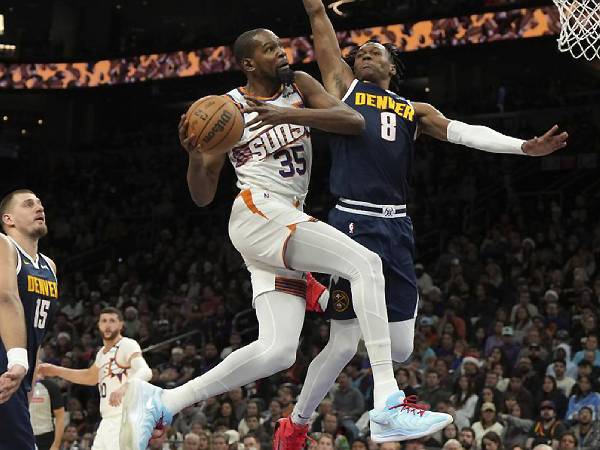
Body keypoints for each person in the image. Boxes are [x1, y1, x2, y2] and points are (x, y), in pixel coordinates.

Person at [121, 27, 451, 450]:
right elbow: (202, 197)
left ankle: (164, 402)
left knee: (279, 351)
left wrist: (288, 115)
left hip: (286, 220)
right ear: (247, 63)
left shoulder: (300, 85)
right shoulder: (228, 109)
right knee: (365, 263)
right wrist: (196, 157)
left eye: (280, 46)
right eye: (269, 49)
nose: (281, 53)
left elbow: (351, 120)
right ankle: (387, 400)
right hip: (259, 210)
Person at [279, 0, 568, 447]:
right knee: (341, 343)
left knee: (401, 347)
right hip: (353, 222)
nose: (364, 54)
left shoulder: (416, 110)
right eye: (360, 51)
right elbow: (320, 22)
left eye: (376, 50)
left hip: (397, 229)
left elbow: (466, 132)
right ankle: (306, 422)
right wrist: (315, 5)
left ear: (394, 65)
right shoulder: (344, 87)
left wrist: (523, 147)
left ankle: (369, 394)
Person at [38, 307, 152, 450]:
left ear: (121, 325)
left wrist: (125, 387)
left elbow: (146, 371)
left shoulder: (127, 344)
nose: (108, 325)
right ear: (99, 325)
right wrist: (56, 370)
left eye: (112, 321)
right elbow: (90, 377)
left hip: (123, 419)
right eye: (104, 321)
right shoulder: (102, 354)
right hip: (107, 420)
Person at [0, 189, 59, 450]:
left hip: (18, 374)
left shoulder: (49, 266)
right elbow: (6, 298)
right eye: (29, 204)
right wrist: (18, 361)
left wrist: (29, 377)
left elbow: (38, 328)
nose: (39, 207)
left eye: (40, 202)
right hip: (8, 362)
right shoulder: (4, 245)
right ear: (9, 219)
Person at [29, 375, 65, 450]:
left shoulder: (50, 386)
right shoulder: (17, 387)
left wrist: (56, 444)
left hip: (46, 437)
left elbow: (60, 417)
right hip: (23, 435)